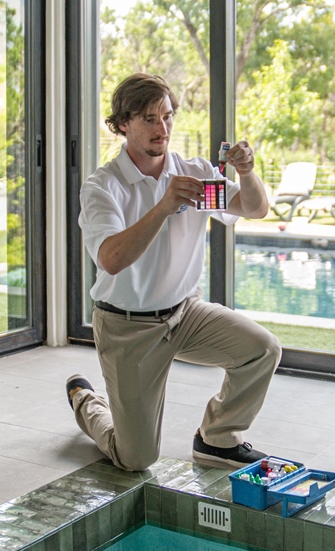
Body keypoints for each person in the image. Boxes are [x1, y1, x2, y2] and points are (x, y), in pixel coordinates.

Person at [67, 73, 281, 472]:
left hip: (185, 314)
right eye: (149, 118)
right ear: (121, 125)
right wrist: (164, 205)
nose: (161, 128)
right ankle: (87, 402)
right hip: (126, 327)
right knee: (136, 458)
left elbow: (254, 208)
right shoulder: (104, 187)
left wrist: (248, 173)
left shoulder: (195, 173)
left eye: (166, 117)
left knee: (262, 349)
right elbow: (111, 258)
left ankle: (217, 440)